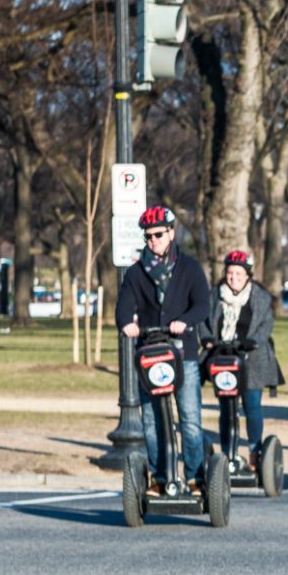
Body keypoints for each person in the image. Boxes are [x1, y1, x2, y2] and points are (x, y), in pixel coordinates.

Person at [117, 205, 210, 490]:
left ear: (171, 232)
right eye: (147, 236)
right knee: (151, 423)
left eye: (158, 234)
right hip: (150, 355)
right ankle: (159, 479)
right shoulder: (135, 272)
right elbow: (123, 308)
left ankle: (194, 477)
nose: (152, 240)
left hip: (185, 355)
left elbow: (203, 306)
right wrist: (126, 324)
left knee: (190, 419)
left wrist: (184, 322)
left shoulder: (190, 268)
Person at [202, 249, 282, 463]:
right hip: (223, 357)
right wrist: (207, 338)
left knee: (251, 405)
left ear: (247, 275)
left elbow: (266, 325)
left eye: (239, 274)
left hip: (252, 359)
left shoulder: (260, 297)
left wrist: (253, 340)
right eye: (230, 273)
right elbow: (203, 321)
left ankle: (255, 452)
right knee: (226, 408)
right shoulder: (214, 295)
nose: (234, 278)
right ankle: (228, 452)